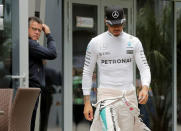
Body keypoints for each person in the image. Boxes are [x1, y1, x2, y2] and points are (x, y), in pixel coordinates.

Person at [82, 6, 151, 131]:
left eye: (119, 24)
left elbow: (144, 68)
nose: (116, 28)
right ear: (106, 22)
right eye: (112, 24)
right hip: (106, 98)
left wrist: (145, 88)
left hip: (128, 98)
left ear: (124, 21)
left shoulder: (134, 42)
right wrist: (87, 102)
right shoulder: (95, 42)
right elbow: (87, 71)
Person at [28, 16, 57, 131]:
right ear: (26, 29)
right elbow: (52, 53)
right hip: (30, 89)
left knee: (30, 121)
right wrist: (48, 34)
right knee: (29, 121)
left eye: (39, 30)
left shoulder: (31, 44)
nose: (37, 32)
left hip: (33, 89)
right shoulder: (31, 44)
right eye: (34, 29)